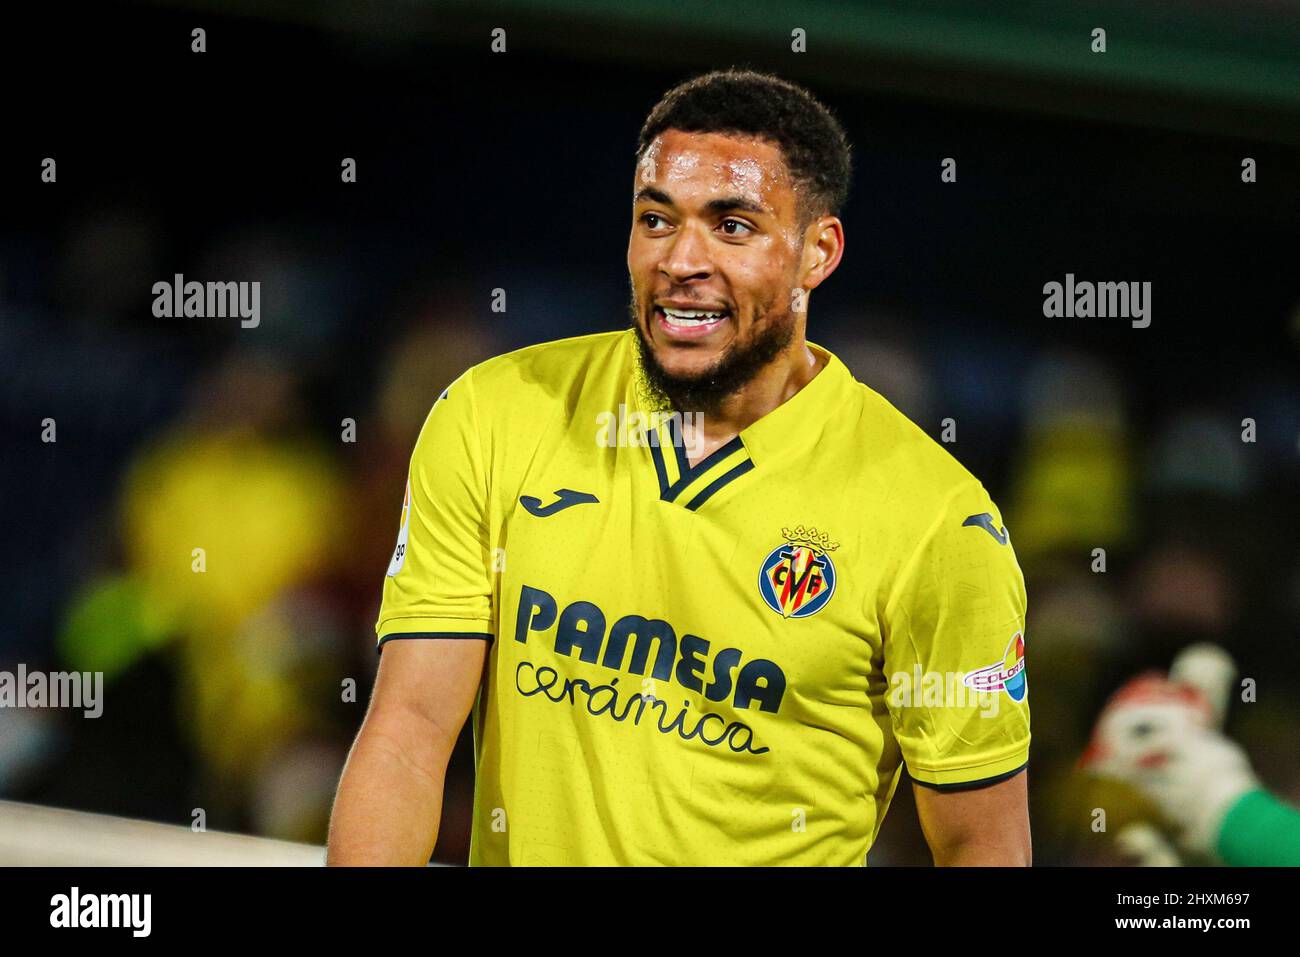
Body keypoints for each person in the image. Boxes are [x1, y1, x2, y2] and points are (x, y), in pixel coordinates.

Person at [327, 69, 1031, 866]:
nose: (681, 259)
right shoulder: (496, 413)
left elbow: (983, 842)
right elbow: (410, 730)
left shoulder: (936, 518)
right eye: (656, 218)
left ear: (817, 254)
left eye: (732, 226)